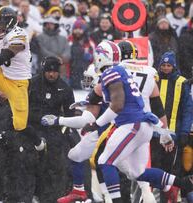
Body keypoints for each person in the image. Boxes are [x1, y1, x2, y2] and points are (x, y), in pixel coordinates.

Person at [79, 40, 193, 202]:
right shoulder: (149, 71)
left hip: (127, 124)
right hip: (147, 125)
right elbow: (157, 105)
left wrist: (91, 117)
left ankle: (111, 199)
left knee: (103, 161)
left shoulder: (114, 71)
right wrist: (164, 132)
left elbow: (102, 97)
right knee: (137, 172)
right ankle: (183, 183)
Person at [29, 56, 75, 202]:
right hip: (31, 129)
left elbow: (70, 114)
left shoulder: (65, 88)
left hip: (54, 131)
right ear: (43, 71)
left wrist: (62, 132)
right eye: (48, 71)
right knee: (30, 164)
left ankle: (50, 197)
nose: (51, 74)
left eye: (55, 72)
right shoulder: (32, 84)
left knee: (54, 166)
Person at [152, 51, 193, 202]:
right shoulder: (153, 80)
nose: (166, 68)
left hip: (174, 135)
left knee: (172, 170)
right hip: (155, 134)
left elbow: (188, 110)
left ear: (174, 66)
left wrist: (184, 132)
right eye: (163, 65)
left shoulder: (182, 82)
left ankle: (171, 198)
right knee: (156, 168)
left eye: (169, 65)